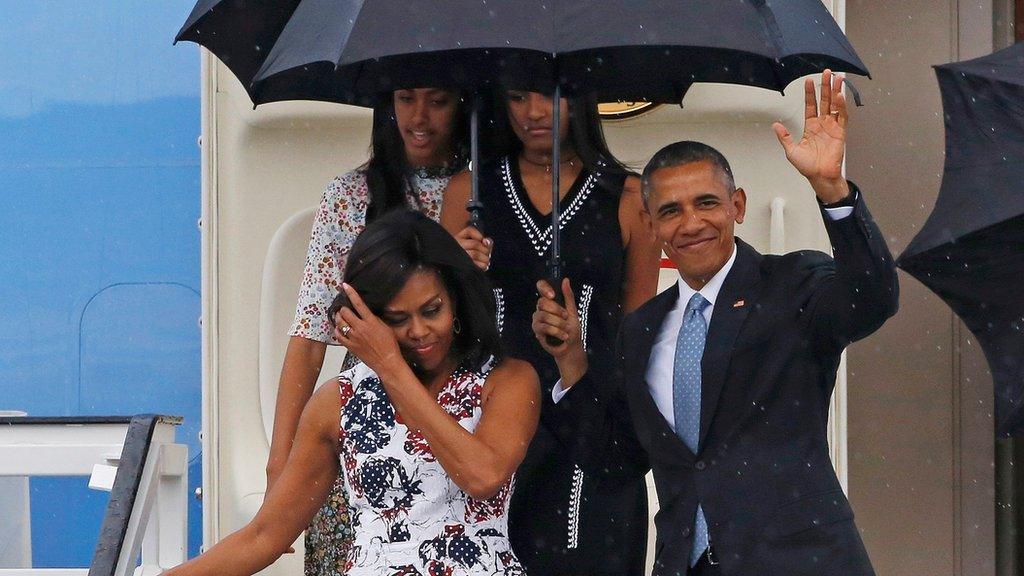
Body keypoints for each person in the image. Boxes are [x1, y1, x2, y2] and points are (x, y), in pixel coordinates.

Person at [534, 70, 899, 576]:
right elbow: (615, 463)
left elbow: (872, 300)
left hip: (797, 561)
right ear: (653, 225)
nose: (691, 223)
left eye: (706, 202)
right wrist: (571, 362)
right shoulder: (640, 331)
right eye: (670, 210)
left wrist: (832, 190)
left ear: (738, 206)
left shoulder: (792, 283)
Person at [168, 210, 539, 576]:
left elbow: (482, 476)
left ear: (455, 299)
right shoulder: (338, 400)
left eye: (432, 310)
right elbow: (265, 536)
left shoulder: (507, 381)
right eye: (397, 319)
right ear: (367, 315)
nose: (419, 330)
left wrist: (391, 367)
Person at [441, 90, 661, 575]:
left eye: (551, 98)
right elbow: (439, 329)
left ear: (581, 100)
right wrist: (456, 272)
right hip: (491, 422)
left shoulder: (627, 197)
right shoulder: (469, 192)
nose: (534, 113)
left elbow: (639, 335)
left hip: (595, 423)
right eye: (518, 97)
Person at [268, 87, 487, 575]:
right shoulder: (351, 195)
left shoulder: (491, 193)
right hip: (368, 415)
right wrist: (279, 463)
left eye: (439, 100)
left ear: (466, 106)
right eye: (405, 99)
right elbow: (309, 336)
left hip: (463, 407)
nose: (420, 116)